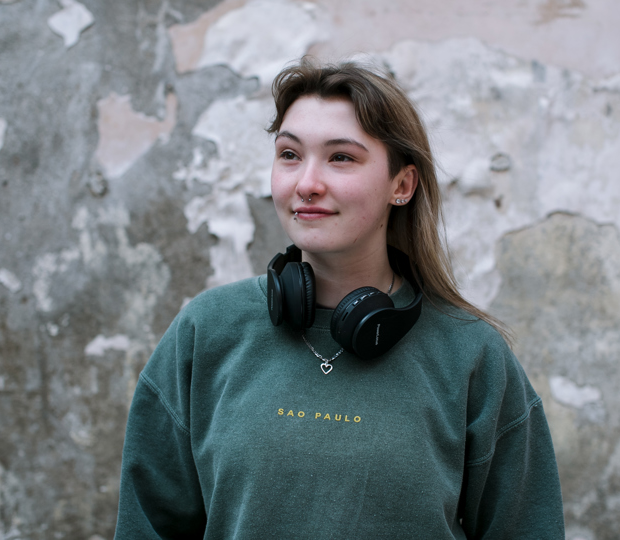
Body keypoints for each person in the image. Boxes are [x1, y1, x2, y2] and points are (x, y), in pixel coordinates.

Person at [114, 58, 564, 539]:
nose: (306, 183)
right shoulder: (206, 331)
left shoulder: (471, 355)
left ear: (402, 185)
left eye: (341, 157)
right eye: (289, 155)